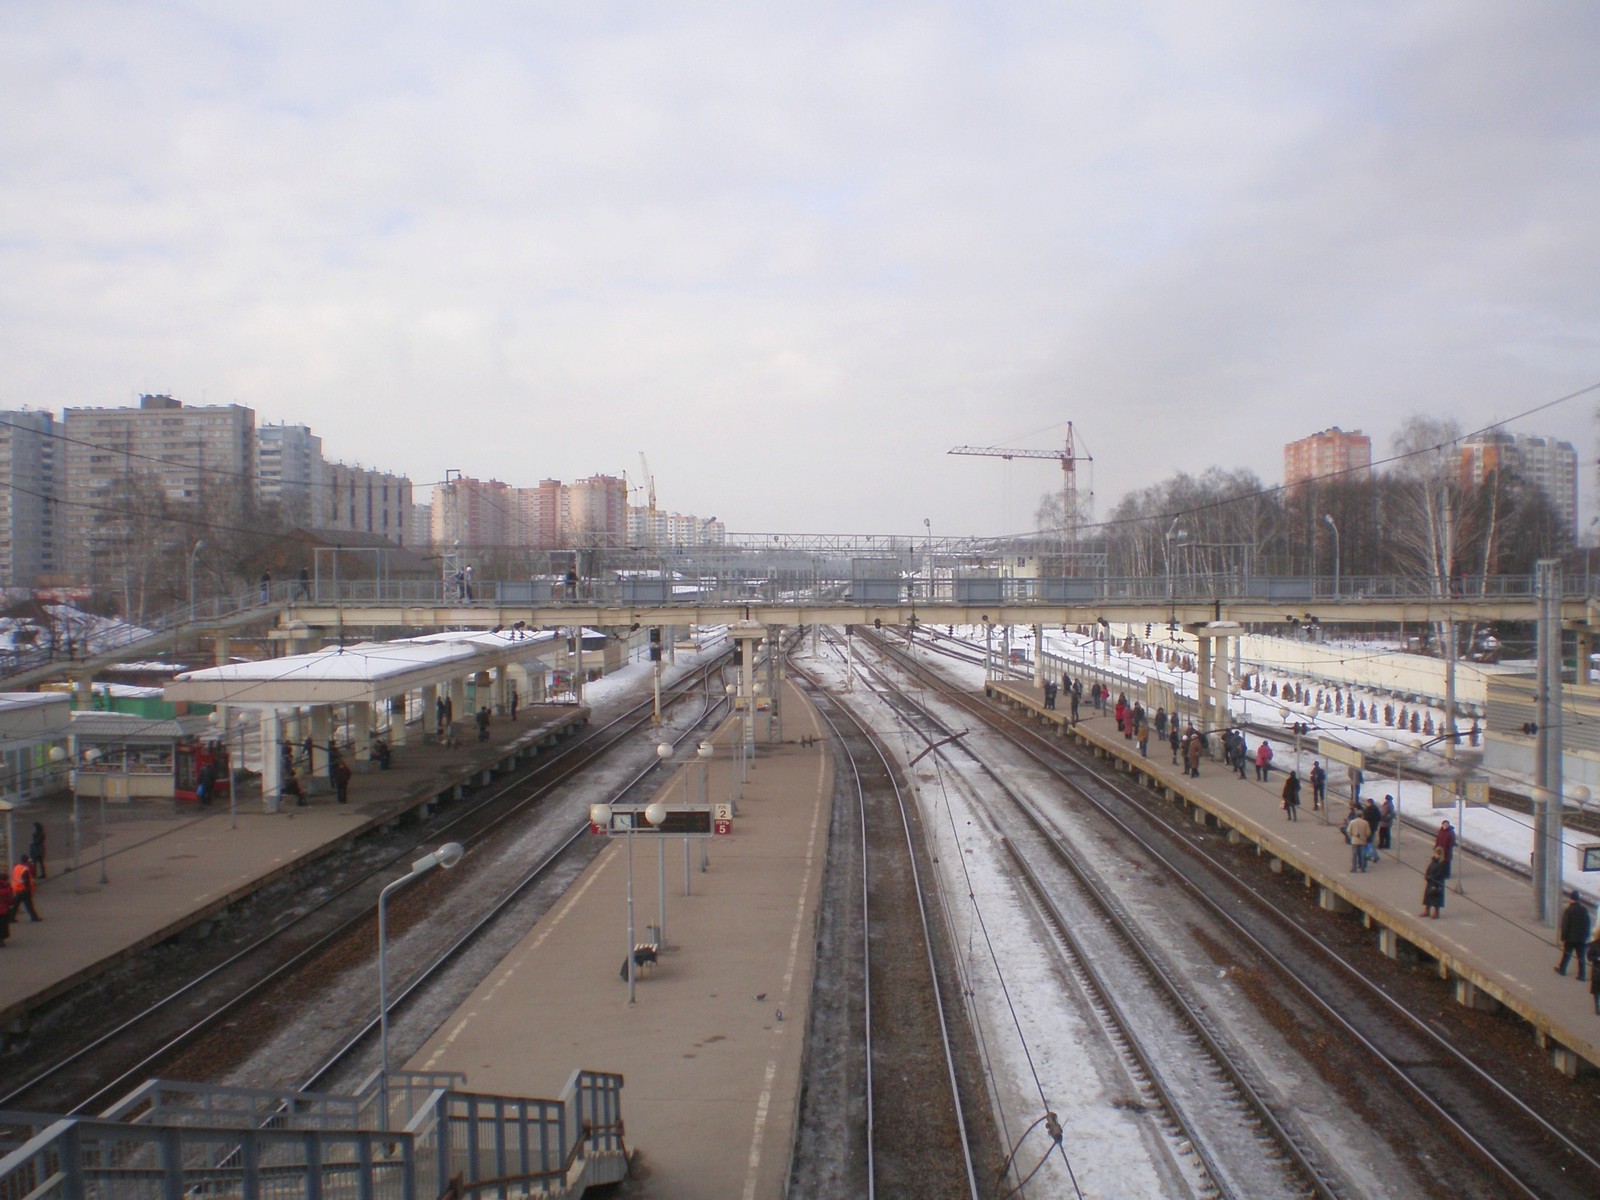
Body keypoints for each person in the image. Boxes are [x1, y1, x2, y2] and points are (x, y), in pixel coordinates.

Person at [1557, 891, 1592, 979]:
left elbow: (1565, 925)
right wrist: (1586, 935)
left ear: (1570, 898)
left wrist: (1563, 937)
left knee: (1567, 954)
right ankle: (1582, 975)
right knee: (1581, 957)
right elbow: (1588, 924)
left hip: (1570, 938)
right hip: (1581, 938)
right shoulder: (1584, 910)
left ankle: (1562, 970)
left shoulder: (1569, 910)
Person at [1421, 847, 1448, 918]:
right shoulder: (1433, 861)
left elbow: (1440, 874)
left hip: (1437, 883)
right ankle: (1427, 911)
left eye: (1438, 854)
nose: (1436, 855)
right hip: (1430, 882)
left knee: (1436, 898)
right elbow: (1428, 869)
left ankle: (1436, 913)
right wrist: (1427, 876)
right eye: (1436, 853)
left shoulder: (1442, 863)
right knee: (1428, 896)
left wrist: (1432, 878)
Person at [10, 856, 40, 921]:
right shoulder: (25, 870)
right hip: (24, 890)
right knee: (29, 905)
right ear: (26, 861)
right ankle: (34, 917)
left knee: (16, 904)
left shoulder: (17, 867)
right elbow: (26, 880)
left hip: (17, 888)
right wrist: (30, 887)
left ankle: (11, 918)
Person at [1362, 798, 1383, 864]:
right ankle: (1374, 855)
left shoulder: (1367, 810)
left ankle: (1372, 856)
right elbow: (1380, 817)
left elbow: (1365, 819)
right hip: (1374, 827)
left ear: (1369, 803)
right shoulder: (1376, 809)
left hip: (1368, 828)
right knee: (1371, 842)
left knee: (1369, 843)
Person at [0, 870, 12, 946]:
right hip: (4, 910)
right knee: (3, 925)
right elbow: (10, 900)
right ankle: (1, 940)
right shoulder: (7, 888)